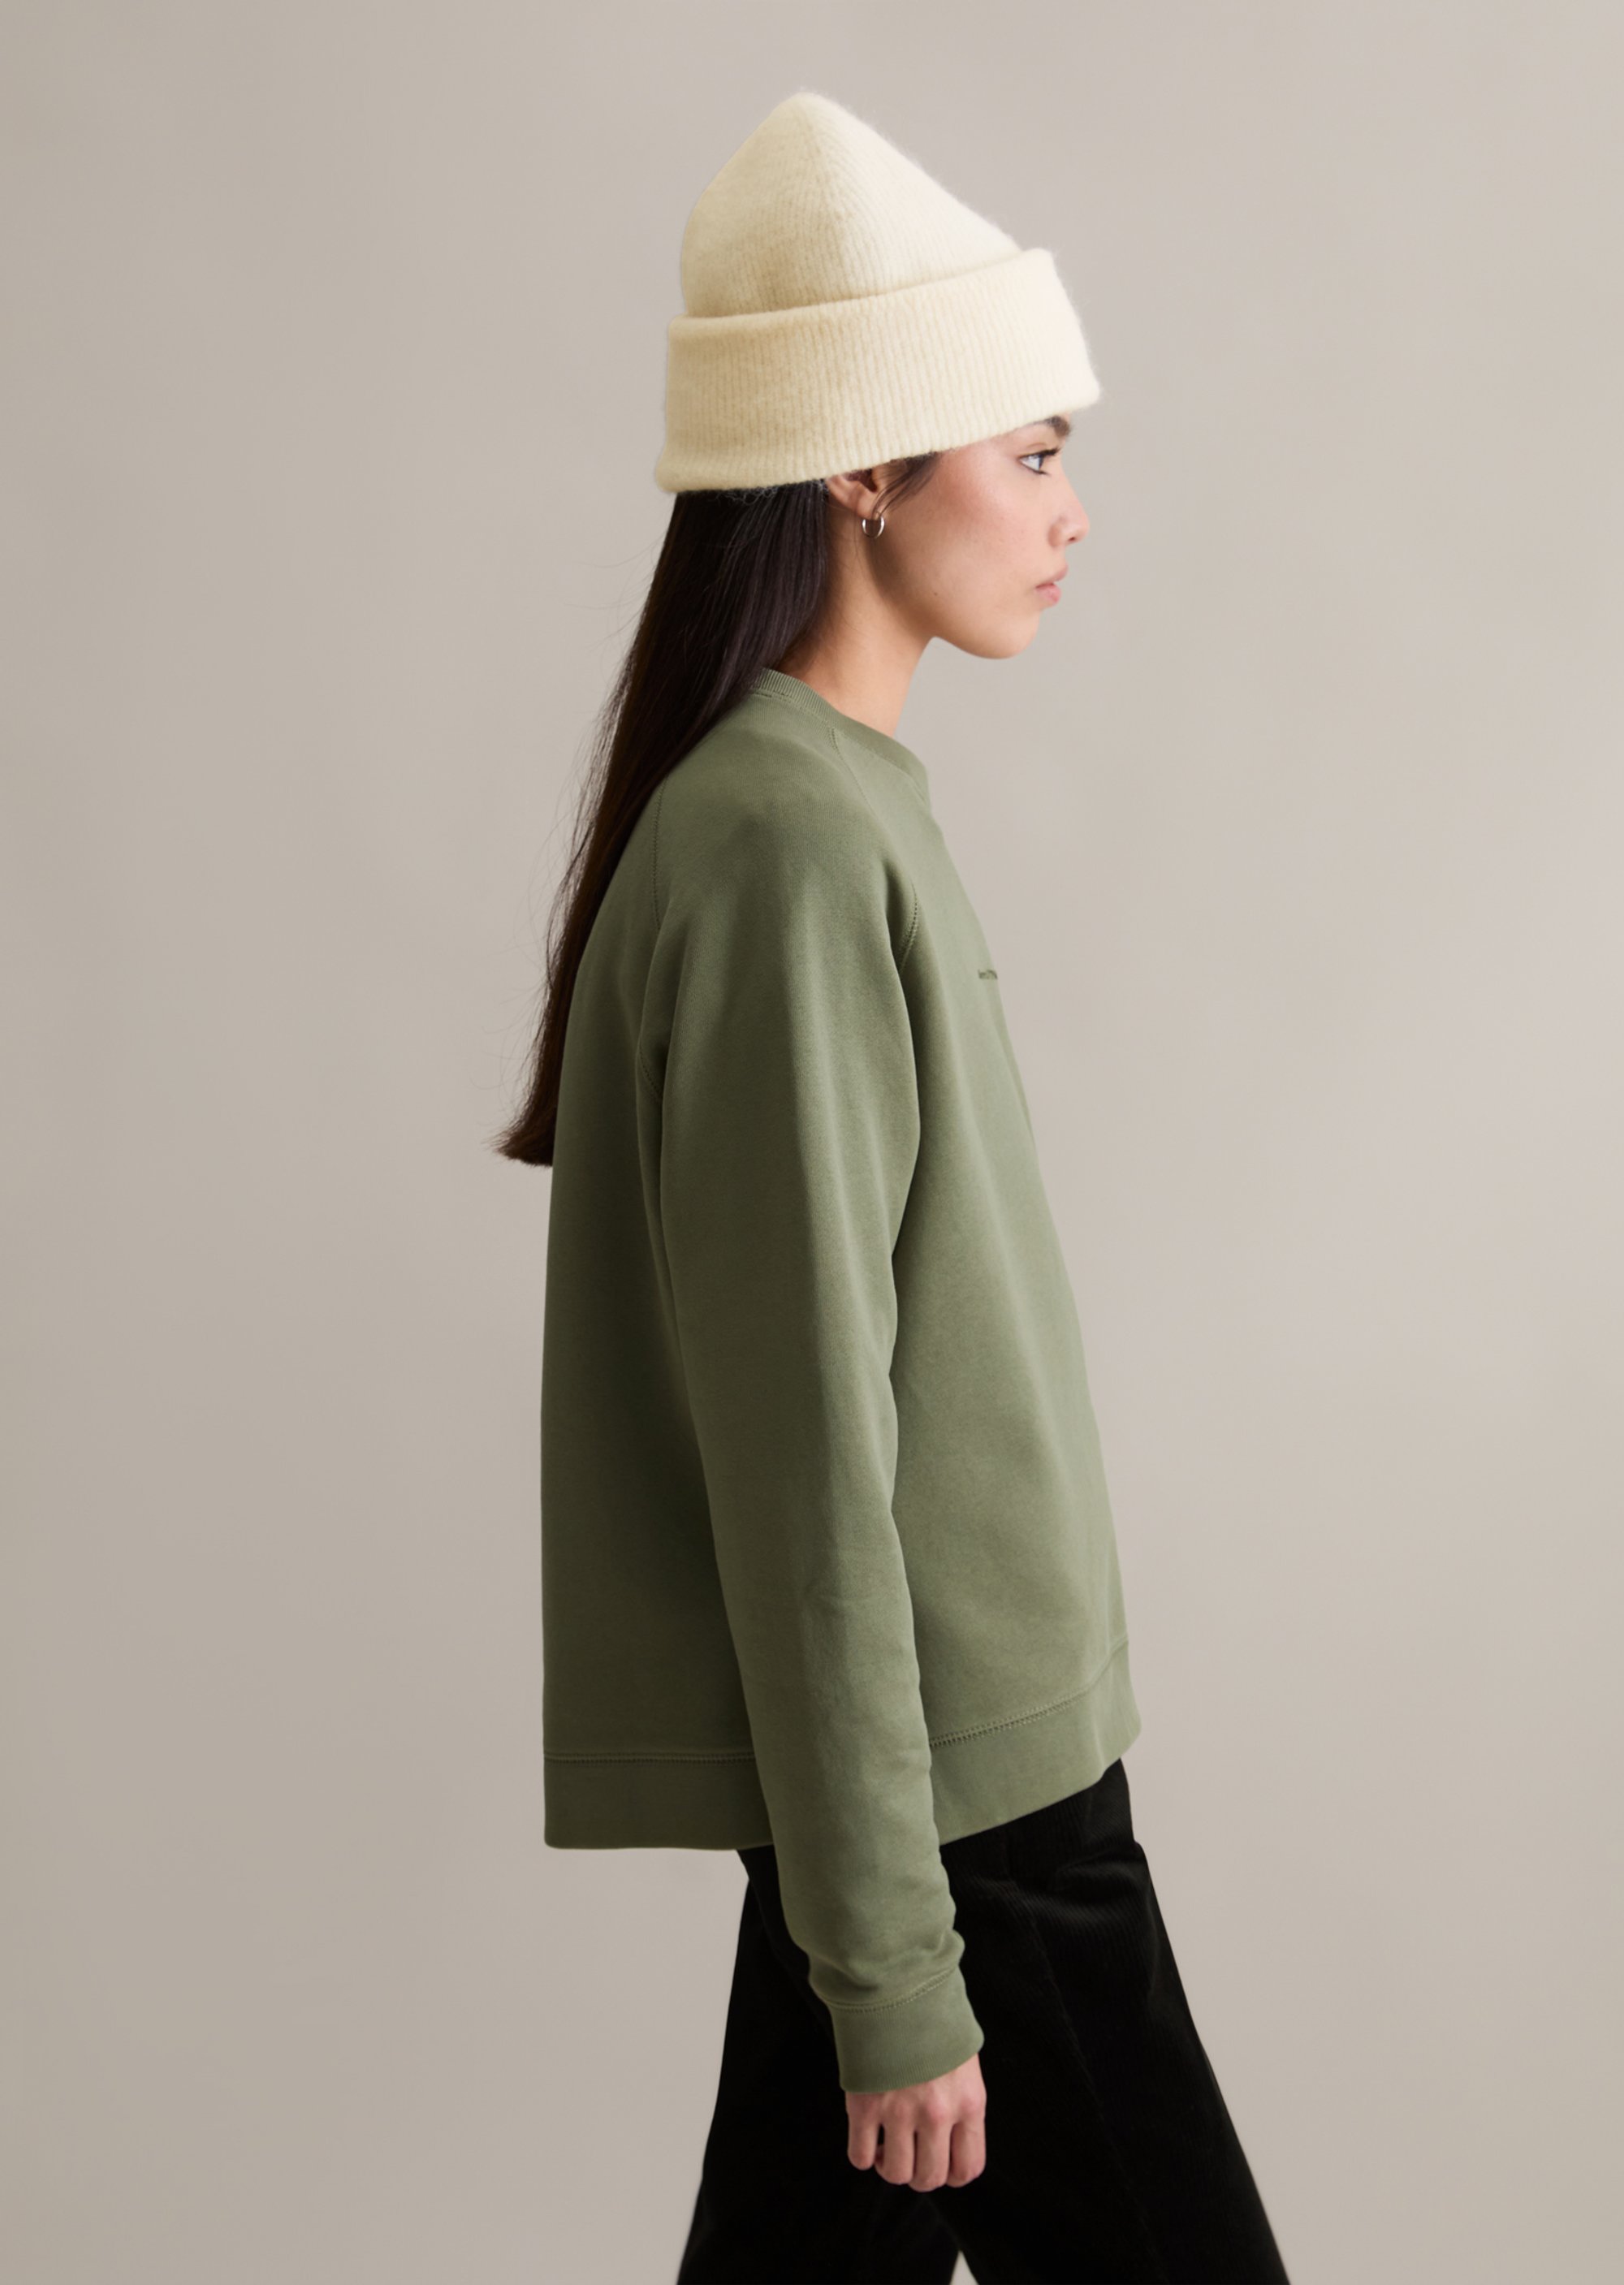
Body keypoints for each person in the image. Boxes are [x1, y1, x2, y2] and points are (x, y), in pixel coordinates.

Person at [496, 90, 1291, 2284]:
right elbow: (807, 1458)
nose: (1070, 511)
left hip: (938, 1800)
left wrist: (870, 1931)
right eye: (1027, 454)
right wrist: (899, 1960)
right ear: (859, 467)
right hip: (972, 1825)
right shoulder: (780, 843)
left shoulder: (823, 802)